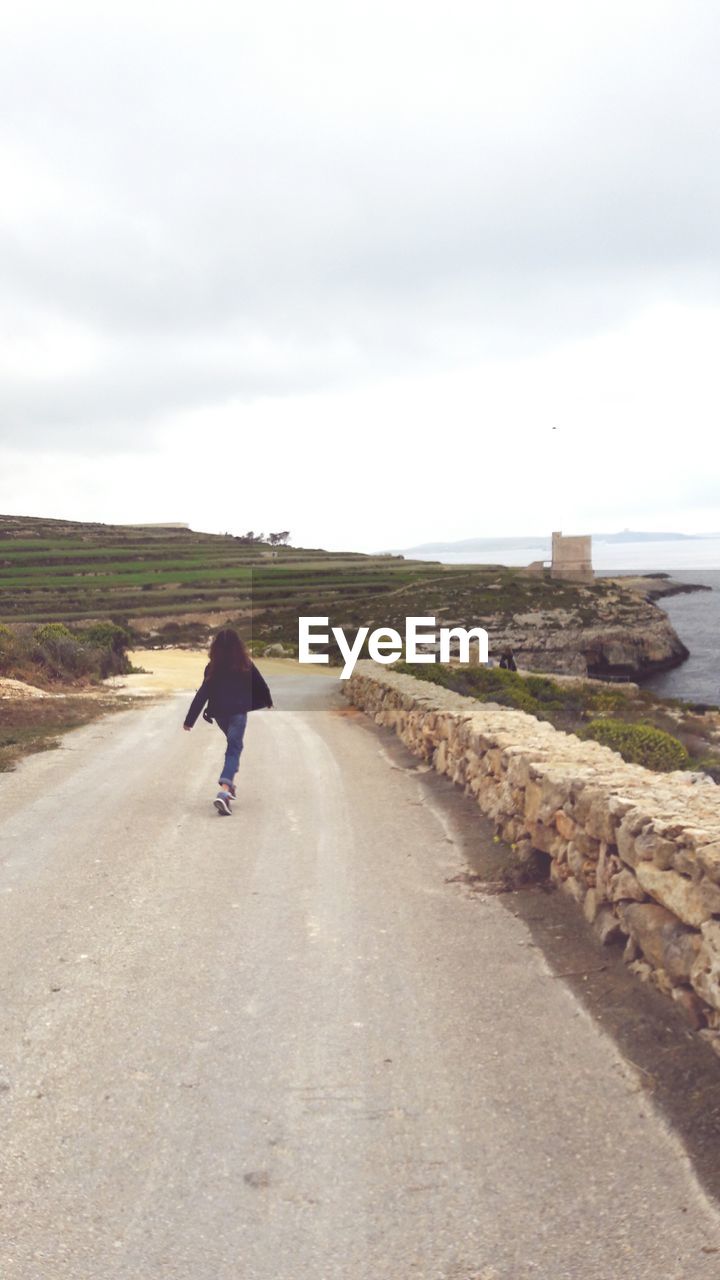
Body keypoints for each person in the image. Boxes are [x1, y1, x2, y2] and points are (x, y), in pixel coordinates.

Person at [183, 628, 273, 815]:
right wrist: (268, 700)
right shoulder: (245, 664)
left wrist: (189, 720)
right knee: (234, 748)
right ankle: (224, 791)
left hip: (220, 715)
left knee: (234, 746)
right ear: (237, 646)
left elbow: (202, 694)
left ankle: (229, 786)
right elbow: (260, 684)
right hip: (238, 714)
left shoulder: (212, 667)